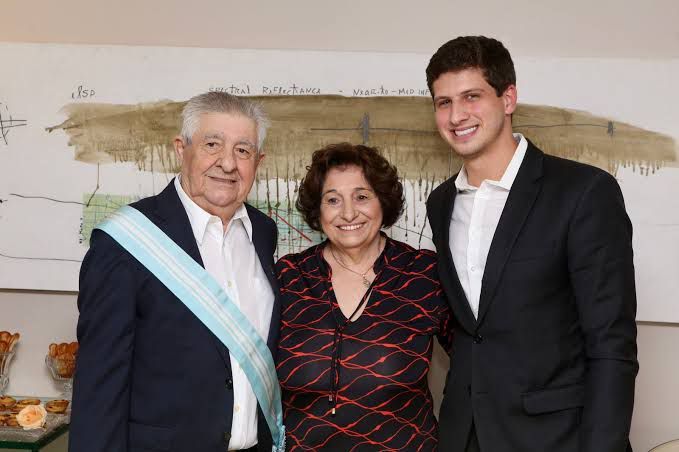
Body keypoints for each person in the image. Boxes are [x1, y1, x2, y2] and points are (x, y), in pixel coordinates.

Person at [425, 36, 638, 452]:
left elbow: (611, 344)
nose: (456, 115)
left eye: (472, 96)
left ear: (508, 98)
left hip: (558, 438)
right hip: (464, 434)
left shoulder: (583, 191)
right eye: (443, 102)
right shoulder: (441, 202)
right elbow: (473, 330)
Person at [70, 92, 283, 452]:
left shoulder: (263, 233)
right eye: (212, 144)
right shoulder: (125, 240)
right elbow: (99, 386)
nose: (228, 163)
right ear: (181, 149)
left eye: (243, 151)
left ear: (258, 161)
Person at [275, 142, 453, 451]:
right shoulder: (289, 277)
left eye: (361, 196)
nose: (347, 213)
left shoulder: (423, 273)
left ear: (382, 202)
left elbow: (477, 367)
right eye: (333, 199)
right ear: (318, 210)